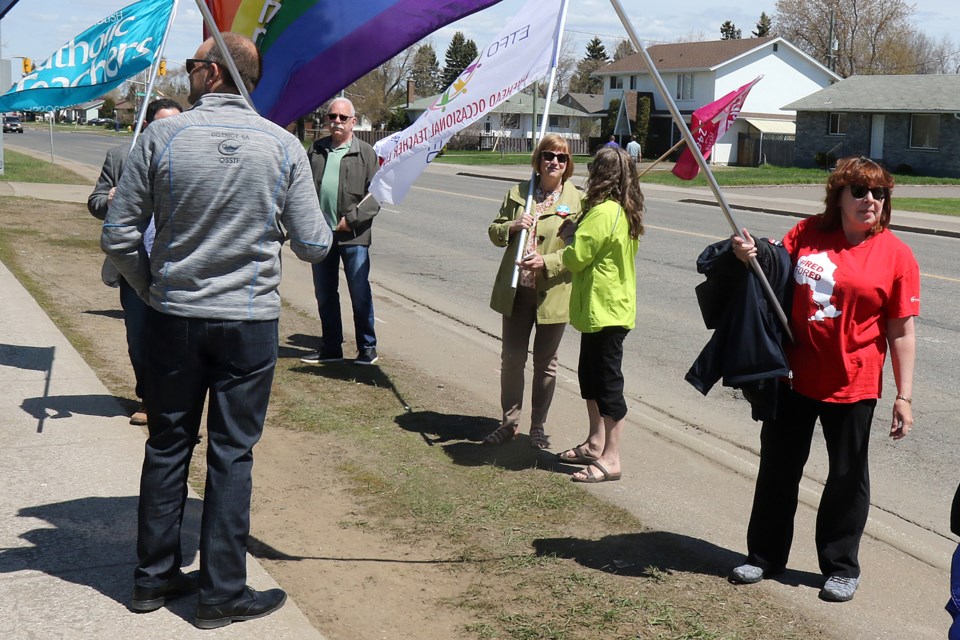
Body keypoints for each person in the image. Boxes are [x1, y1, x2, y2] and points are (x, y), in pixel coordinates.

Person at [101, 33, 332, 628]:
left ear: (215, 74)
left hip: (175, 316)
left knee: (169, 443)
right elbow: (314, 243)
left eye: (193, 66)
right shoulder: (281, 147)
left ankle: (153, 579)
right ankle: (219, 590)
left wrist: (154, 288)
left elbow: (120, 236)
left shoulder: (162, 137)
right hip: (247, 321)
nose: (188, 75)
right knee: (232, 454)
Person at [728, 156, 919, 603]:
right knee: (778, 469)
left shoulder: (896, 254)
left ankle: (840, 567)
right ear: (839, 196)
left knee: (847, 478)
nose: (870, 200)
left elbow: (901, 331)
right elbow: (772, 266)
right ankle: (764, 556)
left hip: (854, 383)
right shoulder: (808, 232)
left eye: (880, 193)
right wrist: (749, 254)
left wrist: (904, 395)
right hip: (795, 376)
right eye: (860, 191)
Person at [88, 98, 182, 426]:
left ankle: (170, 401)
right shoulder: (120, 157)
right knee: (139, 337)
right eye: (162, 124)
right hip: (134, 265)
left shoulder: (189, 158)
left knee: (175, 339)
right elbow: (95, 201)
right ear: (145, 125)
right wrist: (111, 198)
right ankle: (148, 397)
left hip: (177, 265)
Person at [483, 133, 582, 448]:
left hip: (552, 291)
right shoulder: (518, 193)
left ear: (568, 165)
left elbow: (579, 251)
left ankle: (537, 427)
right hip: (516, 291)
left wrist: (548, 262)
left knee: (546, 362)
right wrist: (511, 226)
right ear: (538, 160)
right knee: (512, 358)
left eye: (561, 157)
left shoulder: (577, 200)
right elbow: (494, 233)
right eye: (548, 155)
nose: (554, 162)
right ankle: (509, 422)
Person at [555, 146, 643, 482]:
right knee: (589, 379)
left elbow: (577, 258)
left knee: (607, 385)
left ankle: (612, 457)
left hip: (606, 311)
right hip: (600, 311)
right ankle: (595, 442)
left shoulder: (605, 212)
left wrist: (568, 237)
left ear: (600, 175)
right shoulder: (621, 209)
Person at [300, 97, 381, 365]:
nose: (336, 121)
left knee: (359, 293)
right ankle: (331, 347)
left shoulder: (365, 153)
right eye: (331, 116)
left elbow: (376, 195)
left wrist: (352, 219)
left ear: (353, 122)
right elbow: (304, 189)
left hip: (354, 236)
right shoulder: (316, 150)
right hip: (321, 235)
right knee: (325, 293)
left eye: (342, 118)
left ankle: (367, 348)